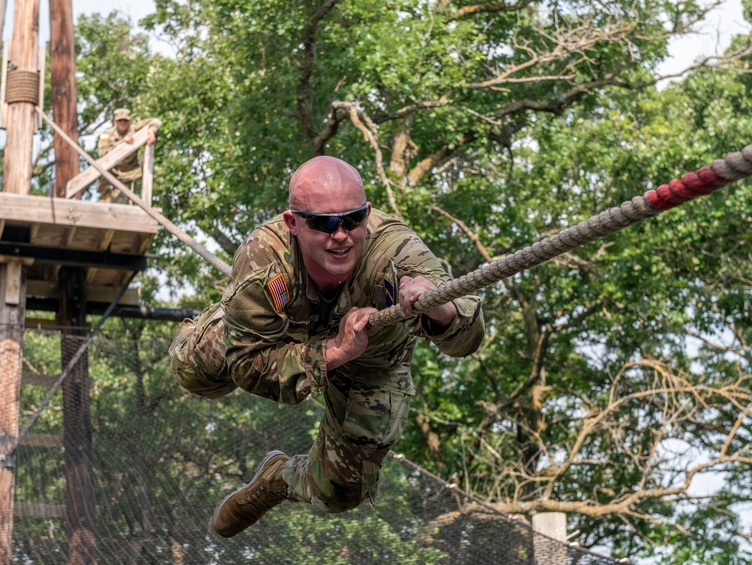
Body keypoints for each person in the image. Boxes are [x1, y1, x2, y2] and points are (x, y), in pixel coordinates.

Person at [169, 156, 485, 537]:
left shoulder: (398, 250)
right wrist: (333, 351)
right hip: (276, 333)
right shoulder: (264, 262)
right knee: (193, 374)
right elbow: (247, 365)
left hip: (374, 359)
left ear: (367, 213)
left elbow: (469, 335)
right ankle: (223, 319)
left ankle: (277, 478)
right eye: (323, 223)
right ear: (293, 223)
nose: (340, 235)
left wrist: (441, 308)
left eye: (352, 219)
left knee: (340, 491)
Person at [97, 108, 160, 204]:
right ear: (115, 121)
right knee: (107, 202)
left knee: (127, 199)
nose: (123, 123)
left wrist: (151, 132)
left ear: (129, 121)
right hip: (111, 173)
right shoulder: (107, 134)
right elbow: (102, 154)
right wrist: (121, 144)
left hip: (130, 172)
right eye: (120, 121)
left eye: (125, 121)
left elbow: (156, 121)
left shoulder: (134, 129)